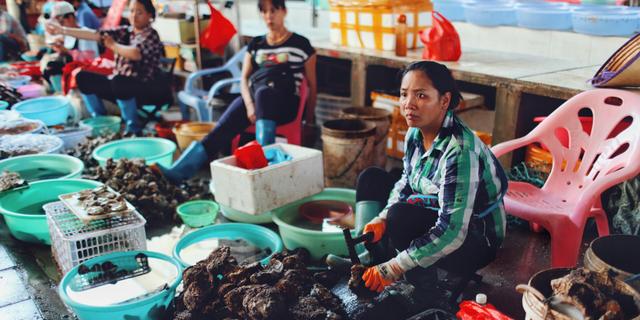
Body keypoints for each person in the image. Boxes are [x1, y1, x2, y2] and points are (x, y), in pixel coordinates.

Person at [330, 61, 508, 293]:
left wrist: (395, 267)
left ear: (444, 100)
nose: (408, 104)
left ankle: (424, 287)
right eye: (404, 95)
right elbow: (406, 182)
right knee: (371, 178)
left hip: (474, 240)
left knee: (400, 217)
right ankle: (369, 261)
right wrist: (380, 219)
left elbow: (452, 231)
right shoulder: (415, 133)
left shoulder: (460, 150)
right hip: (436, 209)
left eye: (421, 95)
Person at [158, 0, 318, 183]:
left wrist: (310, 120)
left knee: (263, 93)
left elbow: (312, 86)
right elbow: (244, 79)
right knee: (224, 125)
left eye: (273, 10)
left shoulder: (301, 44)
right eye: (264, 12)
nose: (269, 16)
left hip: (285, 104)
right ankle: (178, 172)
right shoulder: (256, 44)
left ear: (284, 11)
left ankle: (263, 174)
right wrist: (250, 107)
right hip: (256, 103)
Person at [46, 0, 168, 135]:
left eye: (139, 12)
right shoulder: (126, 31)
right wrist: (63, 30)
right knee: (82, 77)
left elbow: (136, 53)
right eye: (132, 11)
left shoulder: (151, 34)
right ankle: (100, 120)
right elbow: (95, 34)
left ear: (150, 15)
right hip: (121, 84)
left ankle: (133, 128)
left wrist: (113, 46)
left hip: (146, 88)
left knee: (120, 81)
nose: (134, 16)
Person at [42, 2, 100, 87]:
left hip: (86, 70)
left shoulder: (85, 34)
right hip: (73, 65)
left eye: (61, 21)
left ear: (70, 17)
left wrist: (67, 51)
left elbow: (89, 59)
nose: (60, 25)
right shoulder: (67, 34)